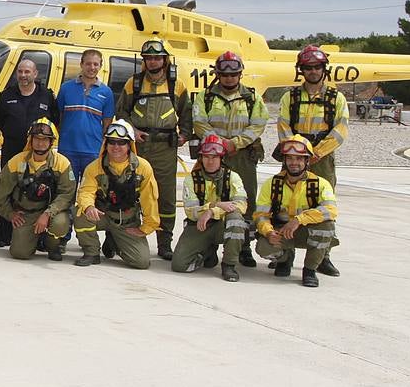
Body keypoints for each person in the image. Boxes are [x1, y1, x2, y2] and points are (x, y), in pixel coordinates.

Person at [275, 45, 348, 278]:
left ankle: (322, 256)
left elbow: (340, 129)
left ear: (323, 69)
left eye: (317, 67)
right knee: (284, 202)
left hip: (321, 158)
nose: (313, 71)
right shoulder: (291, 97)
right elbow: (283, 124)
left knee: (324, 204)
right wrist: (294, 153)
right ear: (301, 70)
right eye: (308, 67)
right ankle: (285, 256)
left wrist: (317, 152)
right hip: (294, 156)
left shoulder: (336, 98)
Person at [191, 51, 268, 268]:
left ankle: (243, 247)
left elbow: (258, 124)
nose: (229, 78)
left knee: (245, 199)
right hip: (212, 155)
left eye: (234, 74)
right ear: (217, 74)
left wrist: (236, 143)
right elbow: (199, 122)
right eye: (224, 75)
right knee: (210, 196)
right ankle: (209, 246)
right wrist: (218, 144)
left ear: (240, 74)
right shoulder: (205, 97)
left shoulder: (252, 98)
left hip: (242, 156)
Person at [117, 39, 191, 261]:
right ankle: (123, 236)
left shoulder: (176, 84)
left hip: (165, 148)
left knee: (166, 196)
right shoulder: (134, 83)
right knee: (130, 190)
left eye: (157, 57)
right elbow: (121, 112)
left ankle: (164, 241)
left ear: (165, 59)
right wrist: (133, 130)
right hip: (140, 145)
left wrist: (185, 134)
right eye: (148, 58)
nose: (152, 62)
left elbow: (186, 113)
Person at [0, 58, 60, 247]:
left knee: (40, 188)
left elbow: (54, 120)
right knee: (8, 188)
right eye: (20, 72)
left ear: (35, 74)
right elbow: (0, 119)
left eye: (27, 72)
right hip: (12, 148)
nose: (23, 75)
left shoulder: (46, 96)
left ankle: (39, 237)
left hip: (39, 152)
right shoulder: (7, 95)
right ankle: (3, 235)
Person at [73, 120, 158, 269]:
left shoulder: (143, 168)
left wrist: (146, 228)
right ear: (106, 144)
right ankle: (91, 252)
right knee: (79, 213)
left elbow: (149, 200)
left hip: (127, 221)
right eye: (112, 142)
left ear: (129, 145)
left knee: (141, 262)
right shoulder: (94, 167)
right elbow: (85, 191)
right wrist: (88, 207)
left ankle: (114, 240)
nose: (116, 147)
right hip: (103, 215)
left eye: (121, 142)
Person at [256, 135, 339, 288]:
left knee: (327, 227)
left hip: (306, 231)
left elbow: (331, 210)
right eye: (290, 158)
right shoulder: (272, 184)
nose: (294, 163)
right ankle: (285, 259)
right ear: (284, 161)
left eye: (299, 158)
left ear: (307, 161)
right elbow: (261, 215)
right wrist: (268, 232)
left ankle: (310, 270)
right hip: (281, 231)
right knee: (263, 248)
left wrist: (298, 220)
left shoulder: (320, 184)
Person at [0, 118, 74, 261]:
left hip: (51, 213)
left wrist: (48, 214)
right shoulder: (17, 161)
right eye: (36, 138)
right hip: (26, 214)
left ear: (51, 142)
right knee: (19, 253)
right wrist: (10, 214)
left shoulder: (62, 163)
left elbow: (67, 194)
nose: (40, 143)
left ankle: (51, 246)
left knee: (61, 223)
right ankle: (32, 238)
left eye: (45, 139)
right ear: (30, 140)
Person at [172, 134, 248, 281]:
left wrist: (212, 212)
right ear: (201, 158)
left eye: (214, 156)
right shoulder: (191, 180)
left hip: (223, 226)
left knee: (236, 219)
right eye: (206, 156)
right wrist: (214, 205)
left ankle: (229, 265)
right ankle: (207, 252)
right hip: (200, 226)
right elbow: (191, 212)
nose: (210, 161)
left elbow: (240, 205)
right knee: (180, 265)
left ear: (221, 158)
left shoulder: (233, 177)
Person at [56, 49, 115, 183]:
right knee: (66, 192)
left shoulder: (106, 92)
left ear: (100, 66)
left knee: (90, 192)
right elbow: (58, 118)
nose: (92, 67)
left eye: (96, 64)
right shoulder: (66, 88)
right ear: (81, 64)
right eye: (88, 64)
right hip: (67, 150)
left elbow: (107, 124)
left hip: (93, 151)